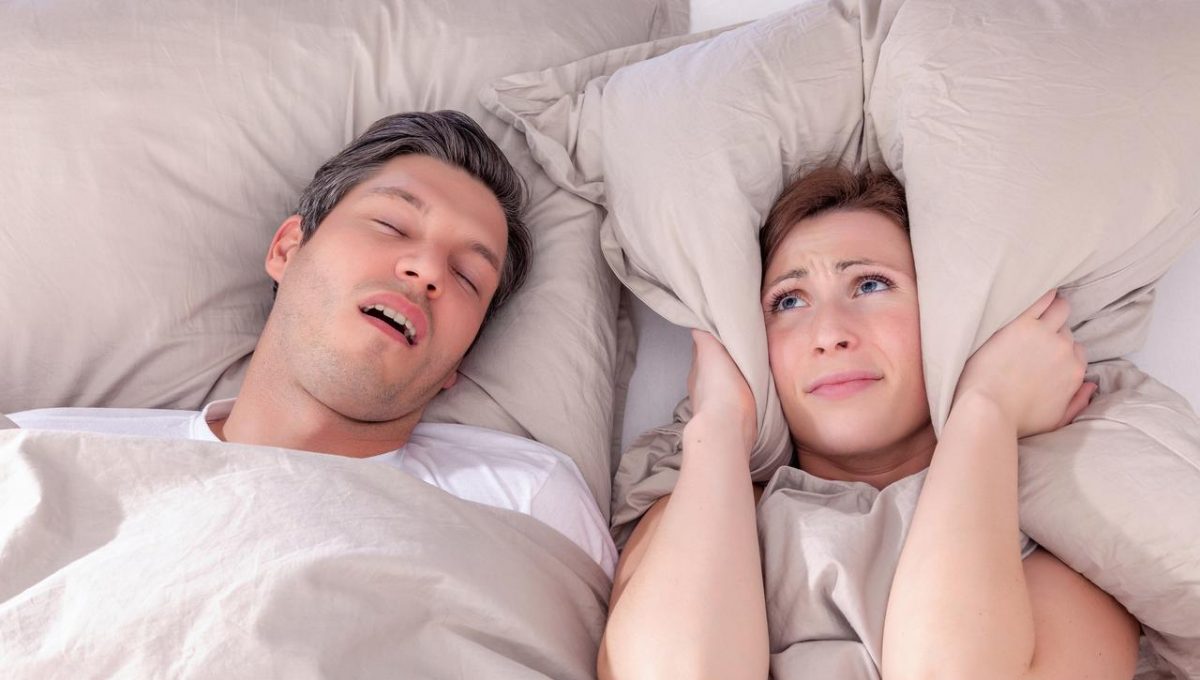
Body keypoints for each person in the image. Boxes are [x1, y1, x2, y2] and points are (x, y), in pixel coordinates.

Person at [8, 110, 617, 577]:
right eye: (392, 224)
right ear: (288, 249)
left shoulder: (524, 502)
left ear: (456, 363)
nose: (427, 270)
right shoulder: (42, 455)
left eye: (466, 278)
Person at [599, 166, 1139, 678]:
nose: (828, 331)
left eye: (871, 285)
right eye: (788, 301)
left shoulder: (1057, 524)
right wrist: (718, 424)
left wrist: (985, 408)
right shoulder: (701, 500)